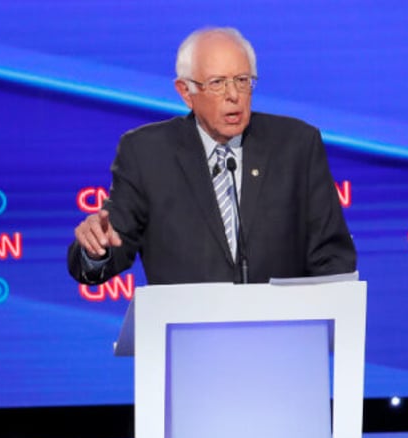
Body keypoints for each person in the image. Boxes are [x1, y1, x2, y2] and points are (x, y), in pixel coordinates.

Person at [68, 27, 356, 286]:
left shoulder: (296, 145)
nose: (234, 95)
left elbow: (331, 255)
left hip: (284, 335)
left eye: (243, 80)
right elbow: (112, 243)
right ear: (186, 91)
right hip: (185, 337)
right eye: (217, 83)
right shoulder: (146, 153)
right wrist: (96, 249)